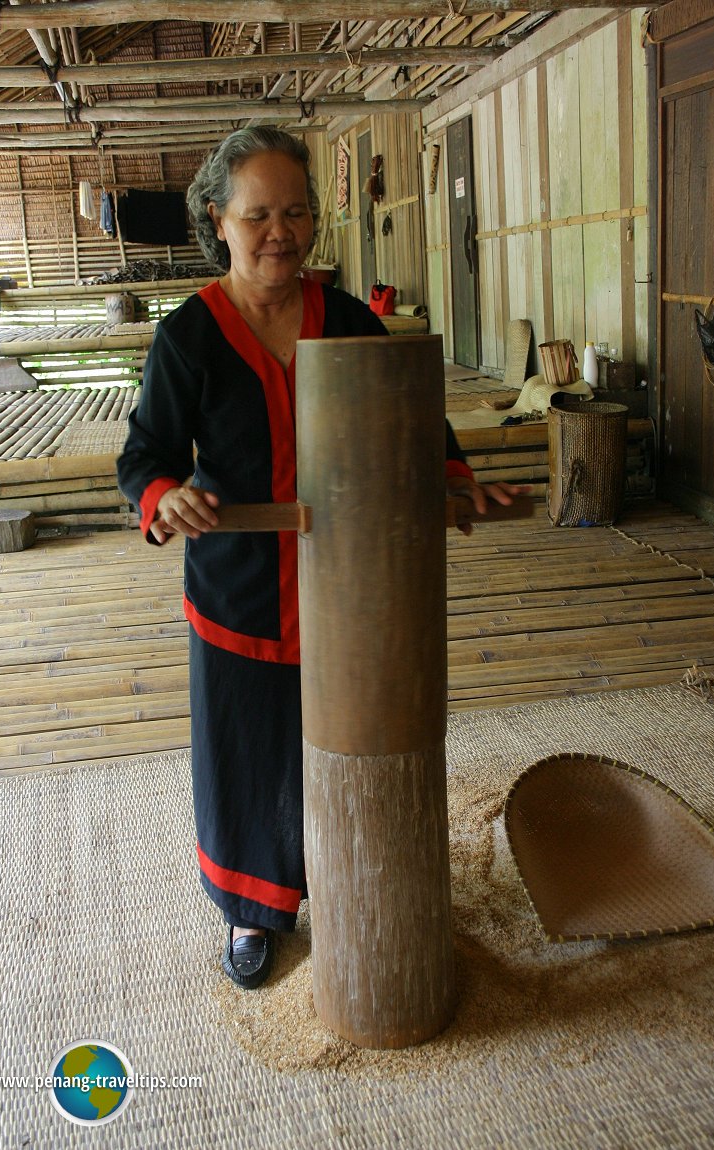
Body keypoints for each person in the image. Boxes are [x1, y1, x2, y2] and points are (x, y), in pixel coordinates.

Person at [117, 126, 525, 991]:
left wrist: (453, 482)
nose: (280, 232)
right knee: (248, 752)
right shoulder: (189, 337)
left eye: (295, 211)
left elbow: (415, 421)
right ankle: (250, 913)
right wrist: (166, 498)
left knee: (353, 752)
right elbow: (144, 455)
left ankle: (356, 890)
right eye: (258, 214)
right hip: (241, 592)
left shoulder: (345, 321)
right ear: (217, 222)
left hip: (353, 586)